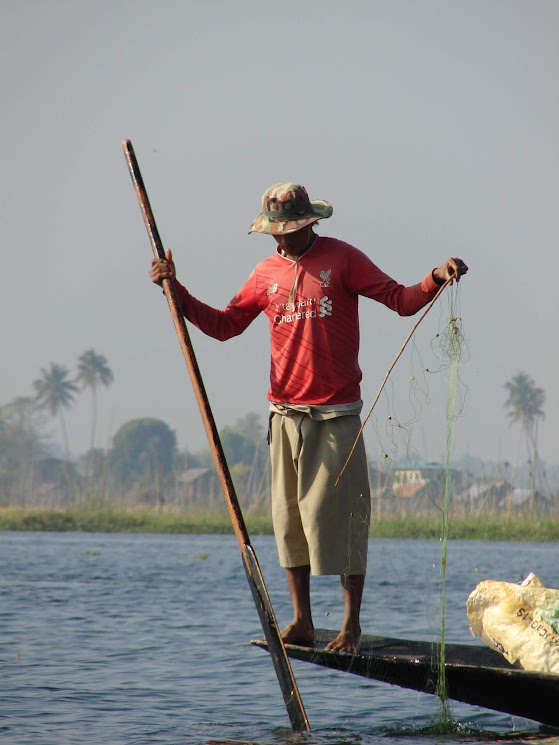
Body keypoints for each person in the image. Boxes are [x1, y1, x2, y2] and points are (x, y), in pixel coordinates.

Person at [150, 182, 468, 653]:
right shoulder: (265, 273)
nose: (283, 239)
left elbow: (400, 300)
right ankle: (301, 620)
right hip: (285, 417)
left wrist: (437, 276)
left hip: (336, 415)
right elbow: (224, 326)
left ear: (310, 223)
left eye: (292, 230)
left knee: (341, 519)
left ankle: (350, 626)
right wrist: (174, 288)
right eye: (276, 232)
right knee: (288, 519)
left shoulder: (343, 260)